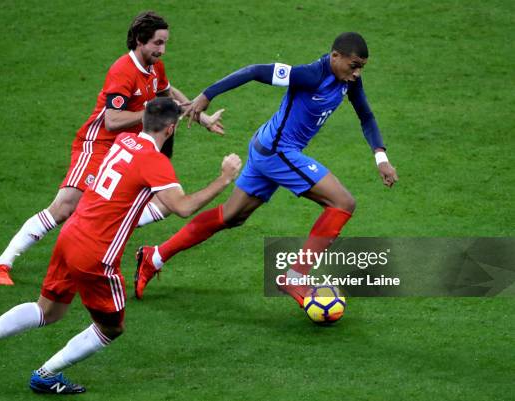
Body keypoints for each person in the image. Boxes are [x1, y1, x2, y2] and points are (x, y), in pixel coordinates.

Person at [0, 98, 242, 393]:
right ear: (171, 129)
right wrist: (224, 178)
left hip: (71, 234)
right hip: (97, 253)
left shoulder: (125, 140)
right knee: (111, 327)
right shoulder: (155, 162)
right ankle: (46, 374)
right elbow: (184, 207)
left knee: (48, 311)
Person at [134, 32, 398, 306]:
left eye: (361, 68)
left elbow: (366, 115)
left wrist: (381, 159)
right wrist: (207, 94)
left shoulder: (348, 82)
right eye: (353, 65)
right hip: (277, 151)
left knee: (231, 216)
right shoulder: (310, 75)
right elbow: (255, 71)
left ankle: (153, 257)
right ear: (335, 57)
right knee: (342, 203)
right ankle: (296, 276)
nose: (356, 73)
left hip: (266, 147)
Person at [0, 11, 224, 286]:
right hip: (99, 145)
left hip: (130, 149)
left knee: (163, 203)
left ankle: (103, 241)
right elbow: (112, 121)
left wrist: (202, 118)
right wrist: (147, 111)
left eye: (165, 43)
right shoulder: (123, 70)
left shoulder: (155, 67)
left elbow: (167, 94)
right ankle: (1, 263)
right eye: (157, 43)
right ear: (139, 41)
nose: (162, 50)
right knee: (65, 207)